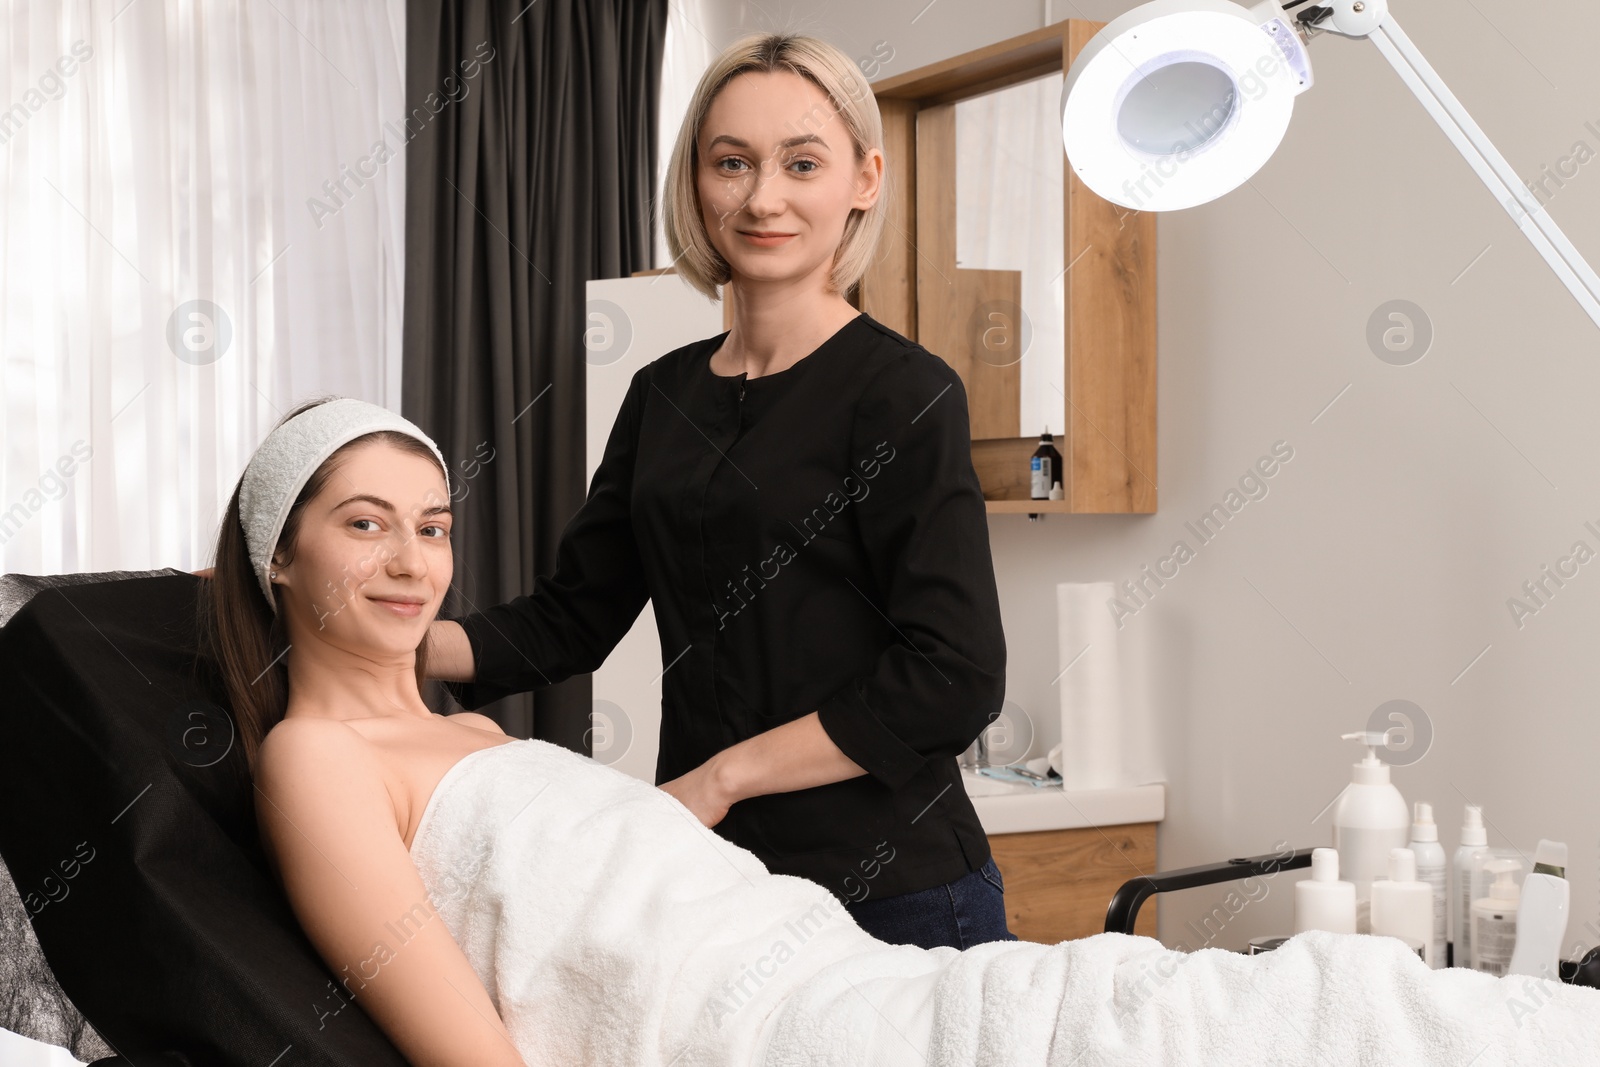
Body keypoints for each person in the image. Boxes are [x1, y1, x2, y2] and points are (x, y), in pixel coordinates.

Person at [213, 397, 1598, 1067]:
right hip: (760, 1034)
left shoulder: (454, 729)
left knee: (1206, 1003)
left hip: (844, 969)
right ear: (280, 553)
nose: (411, 559)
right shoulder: (313, 758)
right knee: (1211, 1029)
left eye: (435, 526)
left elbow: (950, 671)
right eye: (364, 523)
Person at [424, 30, 1016, 953]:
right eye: (731, 162)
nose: (762, 197)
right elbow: (574, 617)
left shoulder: (904, 392)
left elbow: (955, 677)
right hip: (719, 888)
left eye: (801, 162)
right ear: (696, 181)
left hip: (895, 894)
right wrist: (398, 643)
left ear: (863, 178)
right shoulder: (662, 394)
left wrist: (722, 777)